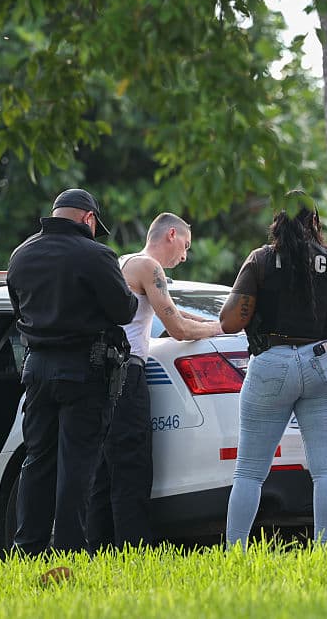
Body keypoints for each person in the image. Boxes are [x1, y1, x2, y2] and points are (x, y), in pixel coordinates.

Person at [219, 191, 327, 546]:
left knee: (250, 472)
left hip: (271, 362)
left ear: (277, 221)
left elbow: (229, 322)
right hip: (323, 364)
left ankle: (234, 551)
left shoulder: (260, 260)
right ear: (315, 222)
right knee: (326, 469)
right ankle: (323, 551)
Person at [6, 188, 139, 554]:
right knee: (77, 463)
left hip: (36, 370)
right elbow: (124, 310)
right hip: (84, 369)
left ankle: (27, 546)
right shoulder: (96, 255)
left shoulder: (21, 255)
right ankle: (69, 549)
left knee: (37, 460)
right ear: (88, 218)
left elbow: (18, 309)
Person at [87, 213, 224, 550]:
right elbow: (177, 328)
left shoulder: (126, 263)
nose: (185, 255)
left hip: (101, 378)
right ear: (171, 234)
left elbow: (172, 311)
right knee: (132, 466)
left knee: (104, 471)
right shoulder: (150, 267)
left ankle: (99, 550)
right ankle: (134, 551)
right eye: (186, 246)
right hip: (126, 375)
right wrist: (220, 330)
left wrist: (215, 319)